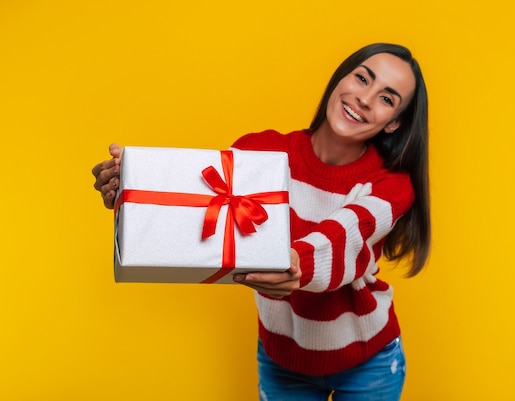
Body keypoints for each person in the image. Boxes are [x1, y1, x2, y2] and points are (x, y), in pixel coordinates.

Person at [92, 42, 430, 401]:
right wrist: (131, 192)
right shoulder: (259, 154)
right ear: (339, 80)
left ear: (394, 122)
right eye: (362, 78)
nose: (364, 98)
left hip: (369, 363)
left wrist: (294, 263)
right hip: (281, 359)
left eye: (387, 98)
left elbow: (343, 239)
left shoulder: (391, 185)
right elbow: (201, 207)